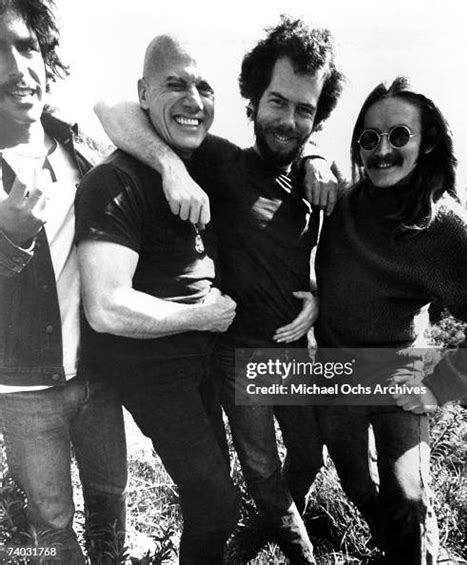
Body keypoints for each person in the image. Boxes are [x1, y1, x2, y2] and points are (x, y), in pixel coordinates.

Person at [94, 16, 344, 564]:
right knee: (260, 470)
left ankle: (263, 529)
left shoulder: (315, 186)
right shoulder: (220, 162)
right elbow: (110, 109)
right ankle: (295, 551)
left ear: (317, 118)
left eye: (305, 109)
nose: (288, 120)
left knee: (309, 458)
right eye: (277, 102)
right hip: (239, 359)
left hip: (295, 357)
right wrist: (170, 168)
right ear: (253, 100)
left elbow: (309, 257)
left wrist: (317, 295)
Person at [75, 35, 240, 565]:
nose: (194, 99)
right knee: (216, 504)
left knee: (217, 494)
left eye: (204, 87)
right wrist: (201, 316)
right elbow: (106, 306)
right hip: (155, 369)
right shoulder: (114, 181)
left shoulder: (199, 161)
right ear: (144, 92)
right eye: (176, 84)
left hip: (203, 361)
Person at [314, 76, 467, 564]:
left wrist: (441, 382)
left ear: (427, 144)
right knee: (358, 486)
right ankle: (403, 550)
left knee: (407, 498)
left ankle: (418, 551)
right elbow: (302, 150)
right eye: (369, 138)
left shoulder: (443, 227)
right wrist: (312, 158)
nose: (382, 150)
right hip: (337, 372)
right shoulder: (340, 203)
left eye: (399, 136)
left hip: (401, 369)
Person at [0, 1, 127, 564]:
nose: (15, 68)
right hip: (23, 392)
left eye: (27, 47)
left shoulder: (82, 147)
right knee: (52, 529)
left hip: (99, 377)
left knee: (110, 500)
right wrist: (9, 239)